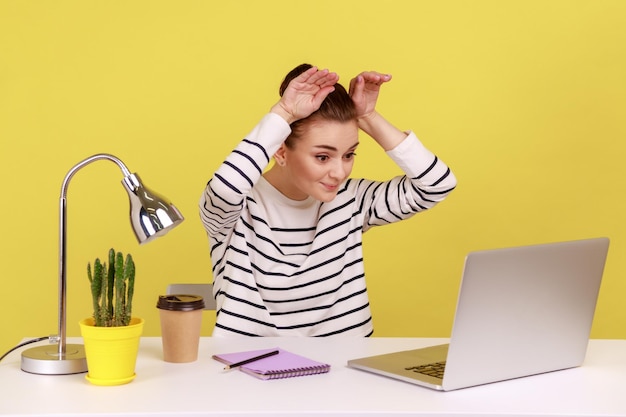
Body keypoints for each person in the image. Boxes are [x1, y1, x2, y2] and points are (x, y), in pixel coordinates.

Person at [199, 64, 457, 337]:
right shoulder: (236, 208)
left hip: (344, 369)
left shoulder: (352, 200)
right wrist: (283, 114)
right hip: (251, 367)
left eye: (348, 155)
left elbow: (437, 184)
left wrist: (368, 117)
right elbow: (225, 189)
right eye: (323, 157)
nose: (339, 172)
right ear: (280, 151)